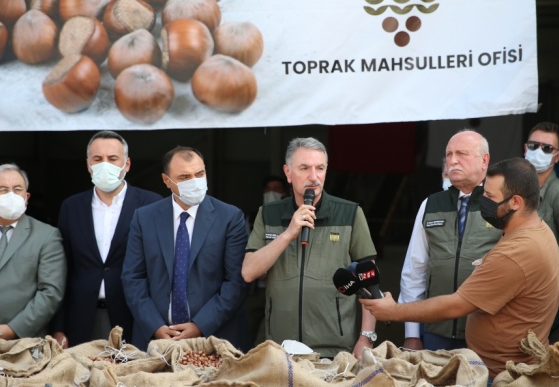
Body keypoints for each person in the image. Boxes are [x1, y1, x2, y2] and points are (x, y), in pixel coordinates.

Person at [362, 157, 559, 380]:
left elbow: (455, 305)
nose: (482, 200)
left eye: (489, 196)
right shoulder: (538, 230)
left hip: (499, 374)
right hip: (499, 367)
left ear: (515, 202)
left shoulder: (517, 252)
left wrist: (393, 311)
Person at [241, 137, 378, 359]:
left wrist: (366, 337)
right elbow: (248, 272)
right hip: (280, 349)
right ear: (288, 172)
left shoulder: (350, 213)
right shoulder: (268, 214)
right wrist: (288, 234)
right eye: (304, 168)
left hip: (334, 348)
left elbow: (369, 279)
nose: (313, 177)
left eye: (320, 168)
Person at [121, 146, 249, 351]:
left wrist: (200, 325)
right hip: (156, 340)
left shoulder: (230, 217)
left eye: (200, 174)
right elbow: (133, 278)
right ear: (166, 181)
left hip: (215, 338)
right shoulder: (144, 218)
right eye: (184, 177)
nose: (195, 182)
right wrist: (155, 325)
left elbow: (235, 282)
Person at [50, 131, 162, 348]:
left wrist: (156, 323)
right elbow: (63, 269)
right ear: (88, 165)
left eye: (113, 159)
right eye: (97, 159)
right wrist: (58, 326)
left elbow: (158, 268)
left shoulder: (151, 204)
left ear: (126, 164)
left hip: (135, 318)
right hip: (81, 318)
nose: (105, 165)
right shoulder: (72, 207)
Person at [399, 130, 502, 351]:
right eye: (449, 154)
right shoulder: (431, 205)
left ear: (484, 160)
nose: (452, 160)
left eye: (461, 154)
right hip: (436, 332)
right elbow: (415, 271)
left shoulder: (501, 204)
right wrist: (412, 333)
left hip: (486, 332)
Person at [0, 164, 66, 340]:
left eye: (17, 189)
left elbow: (50, 292)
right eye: (3, 190)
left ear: (26, 197)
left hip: (24, 344)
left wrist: (12, 329)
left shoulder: (47, 235)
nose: (11, 195)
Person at [523, 121, 559, 344]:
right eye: (533, 145)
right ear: (524, 148)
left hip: (552, 311)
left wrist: (545, 263)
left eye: (547, 148)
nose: (539, 151)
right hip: (521, 305)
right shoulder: (517, 190)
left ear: (557, 157)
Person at [244, 175, 289, 347]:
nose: (272, 193)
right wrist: (258, 269)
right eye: (268, 189)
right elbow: (245, 246)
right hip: (255, 289)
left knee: (280, 338)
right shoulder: (254, 215)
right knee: (248, 332)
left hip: (282, 288)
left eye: (276, 189)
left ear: (285, 192)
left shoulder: (292, 216)